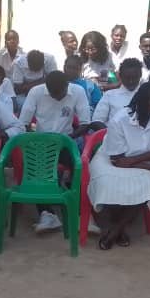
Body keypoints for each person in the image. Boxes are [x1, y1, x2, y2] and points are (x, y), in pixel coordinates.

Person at [87, 82, 150, 250]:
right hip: (109, 158)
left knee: (145, 185)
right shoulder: (120, 119)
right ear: (147, 102)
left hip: (139, 161)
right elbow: (117, 159)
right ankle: (113, 227)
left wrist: (137, 163)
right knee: (104, 182)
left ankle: (117, 229)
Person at [19, 71, 94, 233]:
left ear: (67, 85)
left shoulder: (77, 91)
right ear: (47, 88)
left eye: (61, 93)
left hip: (66, 141)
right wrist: (34, 141)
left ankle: (82, 214)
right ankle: (47, 214)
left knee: (80, 167)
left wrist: (68, 138)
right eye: (54, 94)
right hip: (41, 143)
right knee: (35, 168)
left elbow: (86, 123)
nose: (58, 97)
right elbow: (23, 123)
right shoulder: (36, 92)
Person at [92, 58, 142, 124]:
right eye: (127, 78)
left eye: (135, 77)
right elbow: (97, 121)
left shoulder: (148, 94)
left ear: (140, 75)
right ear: (120, 76)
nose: (131, 81)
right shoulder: (109, 95)